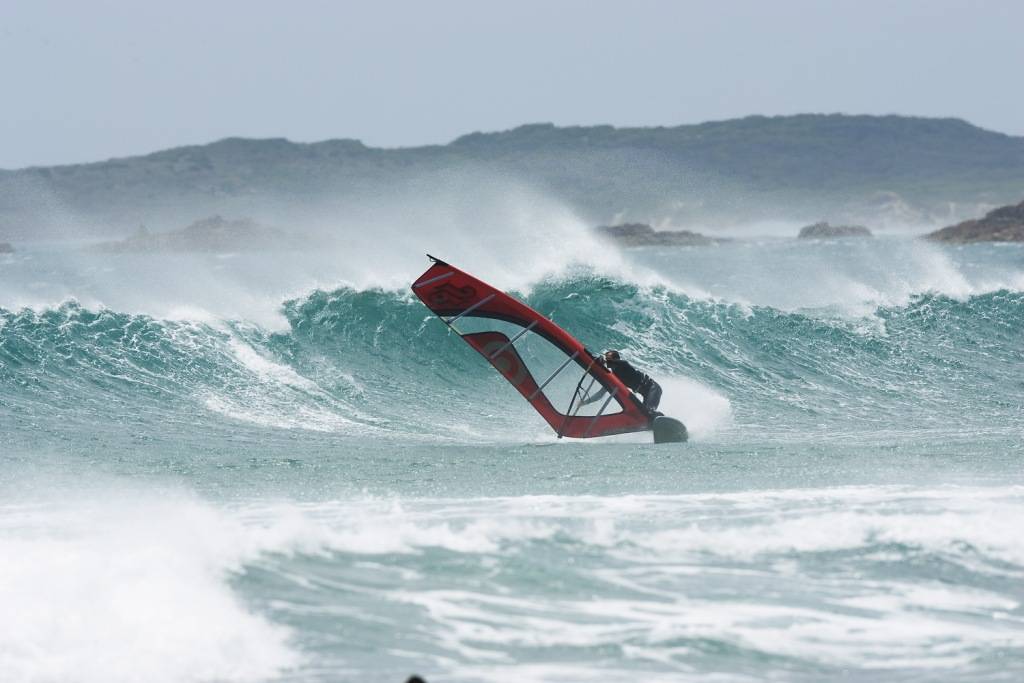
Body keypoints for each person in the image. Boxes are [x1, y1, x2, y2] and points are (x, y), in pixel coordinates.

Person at [582, 350, 663, 416]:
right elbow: (600, 394)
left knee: (649, 412)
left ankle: (663, 421)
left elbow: (612, 362)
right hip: (645, 393)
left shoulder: (624, 365)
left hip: (653, 388)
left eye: (608, 357)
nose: (606, 358)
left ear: (615, 358)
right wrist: (584, 402)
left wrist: (602, 360)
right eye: (606, 357)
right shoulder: (614, 378)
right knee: (643, 415)